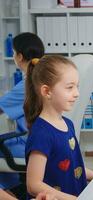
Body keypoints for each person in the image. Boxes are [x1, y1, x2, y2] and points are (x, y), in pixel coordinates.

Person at [24, 55, 93, 200]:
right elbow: (33, 185)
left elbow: (74, 167)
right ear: (47, 91)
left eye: (77, 86)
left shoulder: (68, 124)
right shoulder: (42, 134)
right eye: (70, 87)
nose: (77, 93)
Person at [0, 32, 44, 200]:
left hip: (27, 144)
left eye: (13, 52)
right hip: (36, 140)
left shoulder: (27, 83)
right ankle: (13, 191)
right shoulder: (42, 77)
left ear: (19, 56)